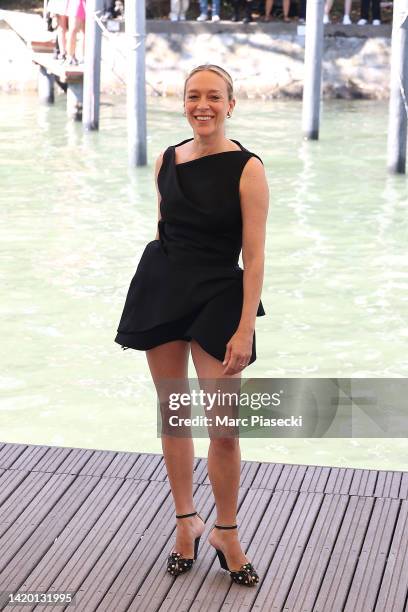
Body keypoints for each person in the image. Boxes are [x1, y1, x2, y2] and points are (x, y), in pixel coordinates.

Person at [114, 64, 269, 585]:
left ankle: (226, 529)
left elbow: (254, 254)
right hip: (163, 288)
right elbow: (165, 227)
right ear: (183, 103)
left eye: (214, 97)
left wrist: (245, 326)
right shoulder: (165, 160)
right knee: (173, 416)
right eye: (193, 96)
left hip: (220, 297)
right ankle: (186, 523)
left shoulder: (247, 168)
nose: (203, 105)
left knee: (223, 429)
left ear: (231, 104)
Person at [65, 0, 86, 65]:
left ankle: (84, 57)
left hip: (90, 4)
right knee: (73, 29)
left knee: (86, 32)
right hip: (77, 3)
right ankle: (70, 56)